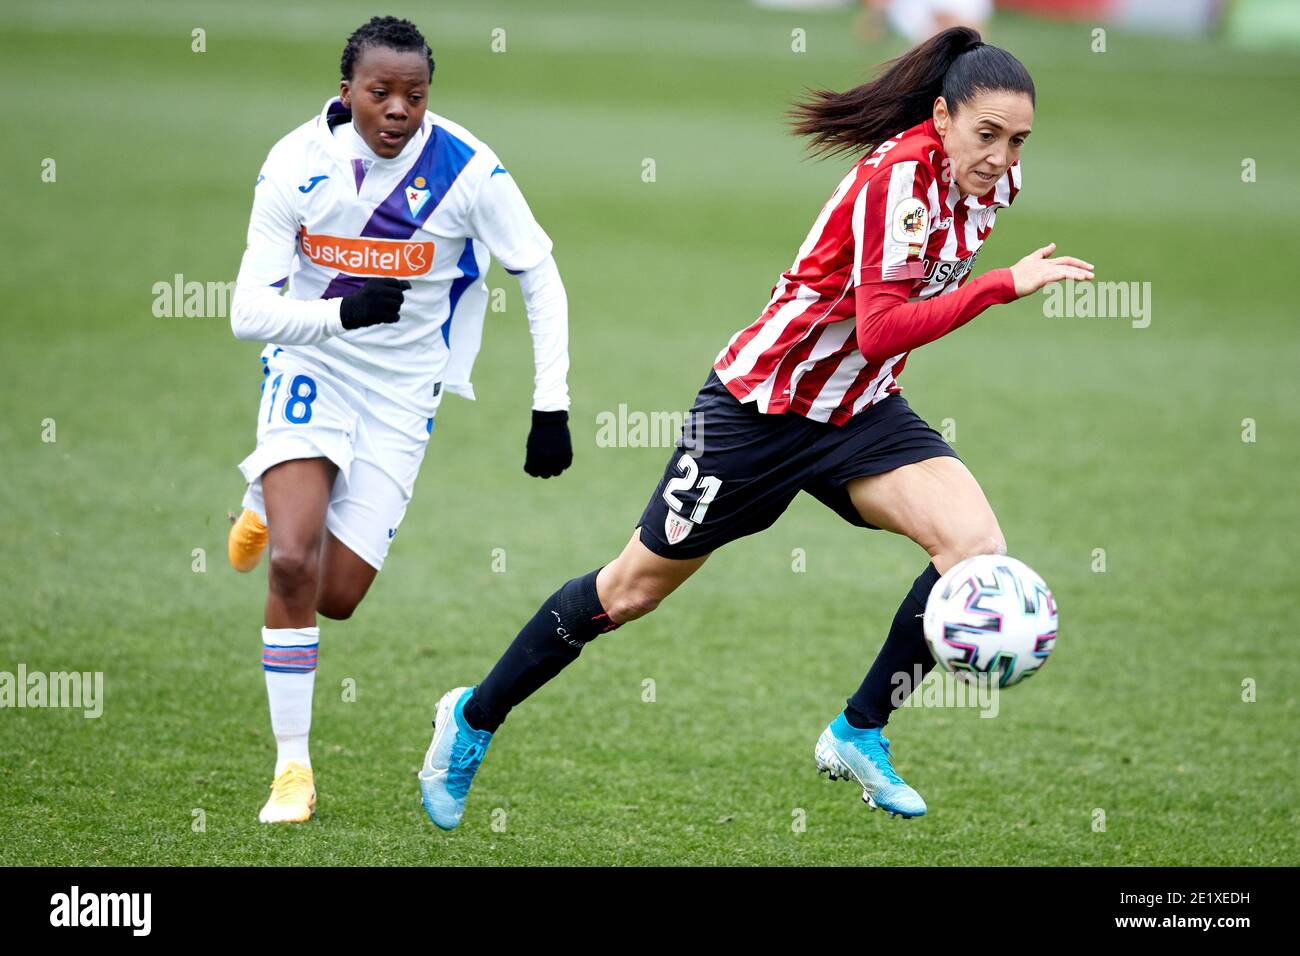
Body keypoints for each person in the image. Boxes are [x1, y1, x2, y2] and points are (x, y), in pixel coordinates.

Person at [418, 26, 1093, 829]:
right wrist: (1002, 286)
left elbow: (874, 346)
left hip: (858, 411)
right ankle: (470, 719)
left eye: (1018, 140)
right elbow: (881, 327)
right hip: (756, 412)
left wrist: (984, 271)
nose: (1004, 157)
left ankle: (859, 731)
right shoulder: (896, 183)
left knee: (974, 548)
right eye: (987, 135)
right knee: (629, 591)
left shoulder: (994, 184)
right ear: (942, 118)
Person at [227, 16, 574, 823]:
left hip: (402, 393)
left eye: (414, 96)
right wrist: (338, 320)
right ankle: (292, 771)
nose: (397, 110)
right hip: (312, 361)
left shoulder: (467, 169)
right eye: (379, 93)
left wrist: (549, 403)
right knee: (290, 561)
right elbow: (248, 311)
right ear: (345, 90)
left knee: (338, 594)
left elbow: (539, 273)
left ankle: (260, 498)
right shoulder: (295, 164)